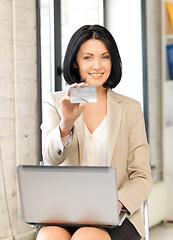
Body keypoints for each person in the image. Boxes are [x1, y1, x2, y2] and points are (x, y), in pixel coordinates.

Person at [36, 25, 152, 240]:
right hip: (65, 212)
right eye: (88, 57)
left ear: (112, 61)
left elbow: (142, 176)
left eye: (105, 57)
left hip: (116, 215)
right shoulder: (55, 102)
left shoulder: (129, 107)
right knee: (49, 235)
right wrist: (67, 122)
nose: (97, 65)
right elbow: (50, 159)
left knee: (87, 236)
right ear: (75, 62)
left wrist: (114, 204)